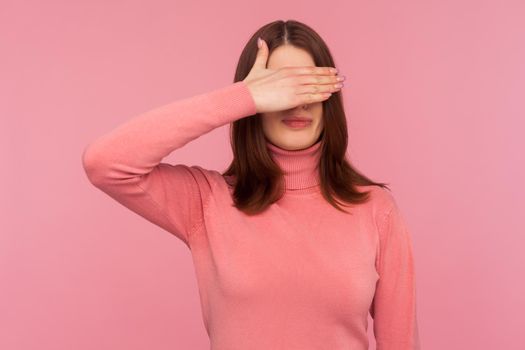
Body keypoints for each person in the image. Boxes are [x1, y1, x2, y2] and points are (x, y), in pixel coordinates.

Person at [82, 19, 421, 350]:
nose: (296, 101)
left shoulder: (376, 210)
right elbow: (105, 163)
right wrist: (241, 99)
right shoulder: (208, 201)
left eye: (308, 85)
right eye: (280, 87)